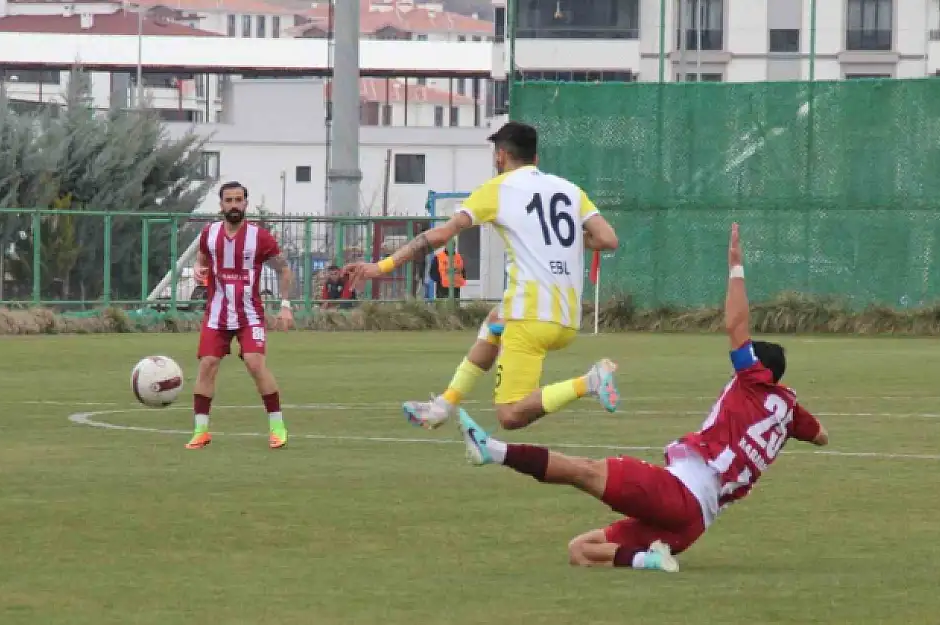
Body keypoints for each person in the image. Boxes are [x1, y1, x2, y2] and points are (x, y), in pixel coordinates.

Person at [453, 224, 830, 571]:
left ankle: (493, 451)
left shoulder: (753, 379)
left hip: (678, 493)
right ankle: (648, 561)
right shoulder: (790, 410)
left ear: (758, 370)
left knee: (582, 470)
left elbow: (735, 324)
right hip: (693, 524)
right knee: (580, 550)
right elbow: (820, 435)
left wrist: (735, 268)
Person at [348, 121, 621, 432]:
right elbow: (608, 239)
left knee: (510, 415)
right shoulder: (570, 190)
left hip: (530, 316)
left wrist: (382, 266)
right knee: (493, 322)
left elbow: (442, 234)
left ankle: (589, 382)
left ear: (501, 156)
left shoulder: (497, 189)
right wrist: (564, 241)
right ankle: (443, 406)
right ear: (536, 158)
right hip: (567, 315)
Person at [187, 181, 295, 450]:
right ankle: (201, 431)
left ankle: (277, 427)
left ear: (246, 204)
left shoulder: (259, 237)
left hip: (249, 314)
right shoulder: (209, 234)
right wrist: (198, 270)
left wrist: (285, 305)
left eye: (238, 200)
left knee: (254, 363)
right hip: (217, 314)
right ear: (221, 204)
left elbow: (284, 269)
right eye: (229, 200)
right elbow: (201, 259)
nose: (234, 205)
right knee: (207, 365)